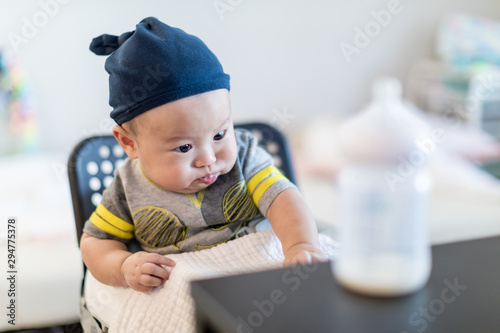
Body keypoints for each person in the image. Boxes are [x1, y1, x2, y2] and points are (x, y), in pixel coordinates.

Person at [80, 17, 324, 293]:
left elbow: (283, 199)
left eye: (219, 134)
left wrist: (301, 246)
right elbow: (94, 243)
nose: (208, 159)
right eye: (184, 147)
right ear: (129, 143)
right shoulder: (127, 187)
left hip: (253, 278)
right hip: (184, 286)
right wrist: (124, 267)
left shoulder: (244, 156)